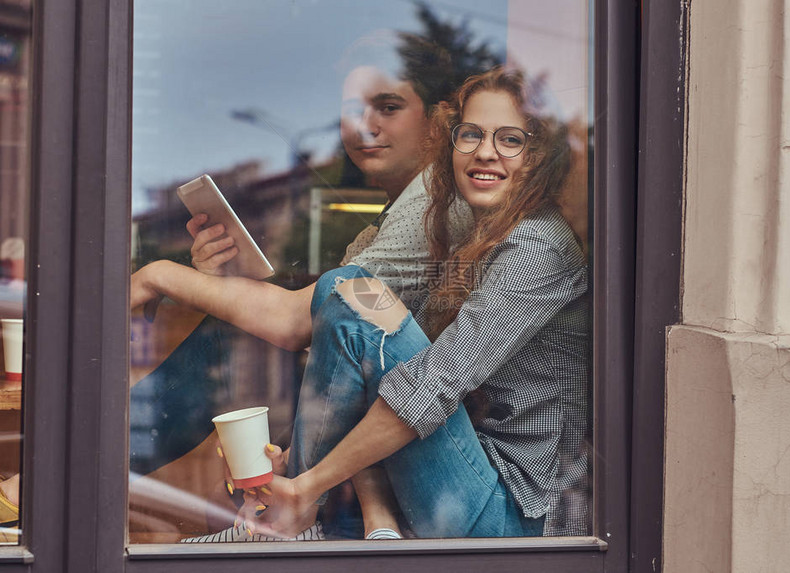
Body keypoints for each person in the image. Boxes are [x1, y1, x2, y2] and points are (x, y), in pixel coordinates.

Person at [190, 67, 590, 539]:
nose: (485, 152)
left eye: (510, 140)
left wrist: (306, 483)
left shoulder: (538, 244)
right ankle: (305, 516)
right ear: (451, 142)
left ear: (539, 156)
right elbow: (373, 374)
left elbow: (429, 387)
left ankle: (292, 519)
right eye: (471, 135)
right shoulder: (476, 234)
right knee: (349, 300)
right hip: (466, 479)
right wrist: (296, 461)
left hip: (518, 515)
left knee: (354, 298)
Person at [129, 34, 476, 540]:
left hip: (438, 467)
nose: (366, 124)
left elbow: (296, 323)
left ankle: (73, 475)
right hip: (388, 457)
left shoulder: (437, 209)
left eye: (389, 106)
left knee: (259, 322)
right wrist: (227, 284)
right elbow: (325, 341)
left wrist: (159, 274)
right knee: (253, 320)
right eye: (353, 109)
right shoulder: (377, 231)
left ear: (438, 120)